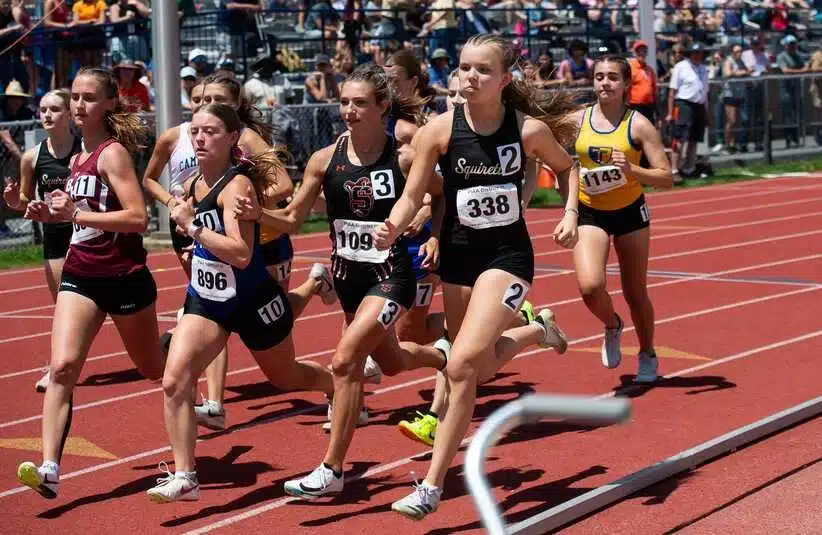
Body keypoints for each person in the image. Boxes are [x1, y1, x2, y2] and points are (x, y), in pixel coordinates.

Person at [373, 34, 578, 519]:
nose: (469, 76)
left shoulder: (526, 131)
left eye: (483, 70)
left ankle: (430, 485)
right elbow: (412, 195)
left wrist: (569, 213)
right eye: (464, 68)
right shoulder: (438, 133)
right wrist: (395, 224)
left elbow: (568, 169)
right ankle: (536, 332)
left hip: (507, 257)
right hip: (460, 258)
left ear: (505, 80)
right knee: (473, 368)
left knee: (461, 361)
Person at [232, 64, 449, 499]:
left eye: (360, 103)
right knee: (391, 363)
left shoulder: (403, 158)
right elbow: (293, 218)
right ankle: (443, 357)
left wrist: (436, 237)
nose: (349, 111)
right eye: (344, 102)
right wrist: (259, 215)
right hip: (349, 277)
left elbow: (441, 195)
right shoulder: (324, 159)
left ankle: (332, 470)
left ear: (382, 107)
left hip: (392, 276)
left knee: (346, 361)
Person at [146, 103, 336, 503]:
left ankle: (338, 386)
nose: (198, 138)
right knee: (174, 381)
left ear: (232, 138)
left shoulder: (237, 187)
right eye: (195, 131)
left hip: (251, 299)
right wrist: (190, 232)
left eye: (210, 131)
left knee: (286, 378)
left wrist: (192, 226)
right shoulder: (195, 181)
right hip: (207, 298)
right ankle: (185, 475)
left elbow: (241, 253)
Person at [16, 67, 165, 499]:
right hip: (81, 273)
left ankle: (183, 347)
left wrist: (75, 215)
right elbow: (80, 215)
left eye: (87, 98)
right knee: (62, 367)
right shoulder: (76, 156)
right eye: (74, 97)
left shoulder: (111, 154)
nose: (79, 105)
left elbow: (138, 219)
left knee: (152, 368)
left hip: (123, 276)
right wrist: (48, 213)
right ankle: (49, 468)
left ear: (109, 104)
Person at [394, 70, 537, 448]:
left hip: (485, 247)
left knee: (459, 354)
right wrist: (430, 225)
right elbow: (435, 193)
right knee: (445, 345)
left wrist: (432, 225)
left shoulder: (503, 130)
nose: (458, 99)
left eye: (462, 93)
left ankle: (436, 417)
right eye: (452, 94)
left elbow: (528, 171)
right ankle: (531, 325)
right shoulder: (438, 132)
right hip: (448, 242)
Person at [569, 55, 673, 384]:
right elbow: (549, 151)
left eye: (612, 77)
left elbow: (666, 177)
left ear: (626, 84)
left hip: (629, 212)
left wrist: (632, 170)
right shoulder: (577, 121)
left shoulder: (638, 125)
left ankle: (647, 352)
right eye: (599, 76)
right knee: (590, 286)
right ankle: (612, 325)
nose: (604, 83)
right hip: (590, 210)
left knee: (635, 291)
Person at [3, 89, 82, 393]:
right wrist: (14, 202)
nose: (47, 115)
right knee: (63, 307)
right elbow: (24, 201)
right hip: (55, 239)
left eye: (55, 109)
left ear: (69, 115)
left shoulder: (84, 151)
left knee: (112, 308)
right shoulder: (32, 157)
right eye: (43, 109)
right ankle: (57, 368)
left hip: (89, 237)